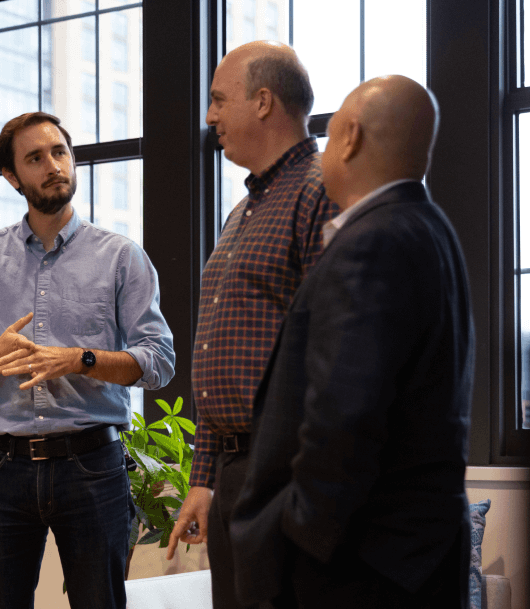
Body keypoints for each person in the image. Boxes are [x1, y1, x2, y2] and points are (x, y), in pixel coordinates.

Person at [229, 75, 474, 608]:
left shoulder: (374, 242)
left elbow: (345, 414)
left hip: (360, 564)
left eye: (330, 130)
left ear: (350, 137)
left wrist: (300, 543)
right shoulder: (427, 226)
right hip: (408, 554)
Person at [0, 111, 175, 609]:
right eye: (35, 158)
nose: (53, 166)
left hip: (92, 463)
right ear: (12, 177)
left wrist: (81, 360)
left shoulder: (120, 256)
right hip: (3, 467)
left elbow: (158, 360)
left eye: (59, 153)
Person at [165, 41, 338, 609]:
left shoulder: (320, 194)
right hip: (237, 472)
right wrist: (203, 479)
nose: (209, 116)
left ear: (263, 102)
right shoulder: (242, 210)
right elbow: (224, 351)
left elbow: (335, 350)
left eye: (218, 100)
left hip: (289, 471)